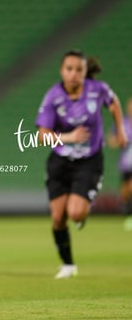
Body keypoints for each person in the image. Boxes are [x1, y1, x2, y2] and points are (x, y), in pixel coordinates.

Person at [35, 50, 127, 279]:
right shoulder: (53, 97)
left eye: (79, 69)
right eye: (69, 69)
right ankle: (68, 265)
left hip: (89, 161)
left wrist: (121, 131)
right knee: (58, 218)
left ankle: (84, 207)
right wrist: (68, 137)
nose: (74, 74)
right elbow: (41, 136)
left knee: (75, 214)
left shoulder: (98, 90)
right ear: (61, 70)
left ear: (86, 72)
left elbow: (114, 103)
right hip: (60, 161)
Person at [107, 97, 132, 230]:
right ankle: (127, 211)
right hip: (126, 163)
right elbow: (111, 141)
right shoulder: (122, 123)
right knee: (125, 192)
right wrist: (120, 141)